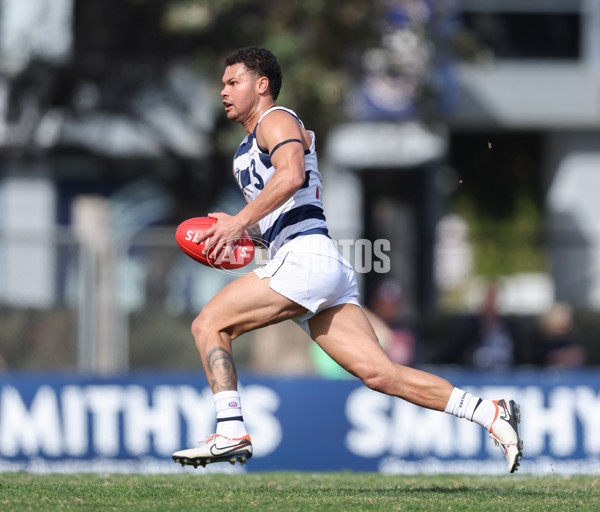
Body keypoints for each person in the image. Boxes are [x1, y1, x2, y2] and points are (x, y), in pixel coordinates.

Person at [171, 47, 523, 473]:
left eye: (233, 82)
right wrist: (244, 234)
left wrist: (237, 222)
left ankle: (230, 430)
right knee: (381, 375)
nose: (223, 91)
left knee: (208, 324)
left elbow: (292, 175)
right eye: (223, 84)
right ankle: (491, 413)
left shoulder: (276, 119)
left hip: (308, 260)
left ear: (261, 85)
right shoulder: (242, 154)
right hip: (314, 262)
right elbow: (284, 218)